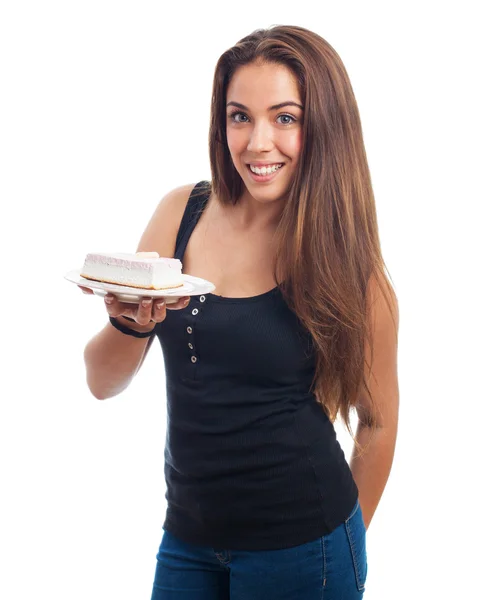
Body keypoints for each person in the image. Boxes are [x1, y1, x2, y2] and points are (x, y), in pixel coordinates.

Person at [81, 24, 399, 600]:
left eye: (285, 118)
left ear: (322, 126)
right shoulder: (181, 213)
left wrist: (342, 553)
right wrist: (131, 320)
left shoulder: (352, 270)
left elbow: (376, 424)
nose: (256, 143)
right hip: (187, 539)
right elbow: (102, 383)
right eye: (238, 116)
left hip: (305, 550)